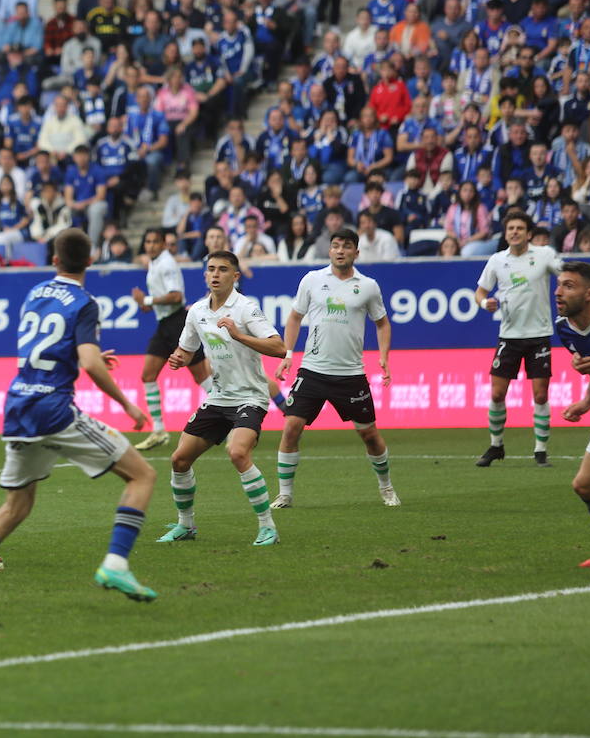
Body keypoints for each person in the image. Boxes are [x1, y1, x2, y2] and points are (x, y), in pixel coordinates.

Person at [0, 229, 157, 612]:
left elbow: (47, 351)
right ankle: (116, 564)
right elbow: (87, 361)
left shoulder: (35, 294)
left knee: (16, 507)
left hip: (18, 406)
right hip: (53, 409)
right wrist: (128, 405)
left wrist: (92, 358)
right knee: (143, 476)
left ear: (54, 260)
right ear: (90, 261)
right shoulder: (85, 302)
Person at [157, 250, 287, 547]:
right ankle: (186, 525)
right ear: (205, 275)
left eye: (223, 269)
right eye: (211, 269)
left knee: (238, 452)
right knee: (179, 459)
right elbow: (187, 350)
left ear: (235, 276)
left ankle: (268, 527)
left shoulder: (245, 308)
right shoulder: (197, 311)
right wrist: (178, 359)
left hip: (250, 397)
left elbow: (279, 347)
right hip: (219, 397)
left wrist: (240, 336)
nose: (216, 274)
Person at [271, 229, 397, 509]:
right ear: (329, 251)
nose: (341, 250)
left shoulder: (367, 286)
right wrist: (288, 353)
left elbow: (382, 323)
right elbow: (294, 317)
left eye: (347, 246)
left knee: (369, 434)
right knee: (291, 427)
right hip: (312, 370)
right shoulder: (312, 280)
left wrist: (384, 356)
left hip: (351, 374)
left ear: (356, 252)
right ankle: (285, 494)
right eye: (336, 246)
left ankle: (386, 487)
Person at [474, 211, 564, 468]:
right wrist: (484, 303)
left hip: (539, 335)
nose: (515, 232)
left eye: (520, 228)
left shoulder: (544, 255)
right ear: (506, 232)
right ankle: (496, 445)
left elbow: (566, 274)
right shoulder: (497, 260)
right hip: (509, 336)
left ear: (529, 233)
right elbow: (479, 291)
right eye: (511, 228)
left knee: (540, 395)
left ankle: (540, 451)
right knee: (497, 392)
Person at [131, 228, 212, 451]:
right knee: (148, 375)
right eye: (147, 242)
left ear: (164, 244)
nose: (151, 245)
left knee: (201, 376)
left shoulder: (166, 264)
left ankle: (231, 418)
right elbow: (163, 299)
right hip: (164, 324)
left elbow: (176, 296)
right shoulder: (155, 263)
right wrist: (146, 304)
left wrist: (146, 298)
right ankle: (158, 430)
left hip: (177, 323)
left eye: (155, 241)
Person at [551, 260, 590, 568]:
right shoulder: (563, 328)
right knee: (585, 485)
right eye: (558, 285)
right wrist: (587, 400)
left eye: (569, 286)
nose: (559, 292)